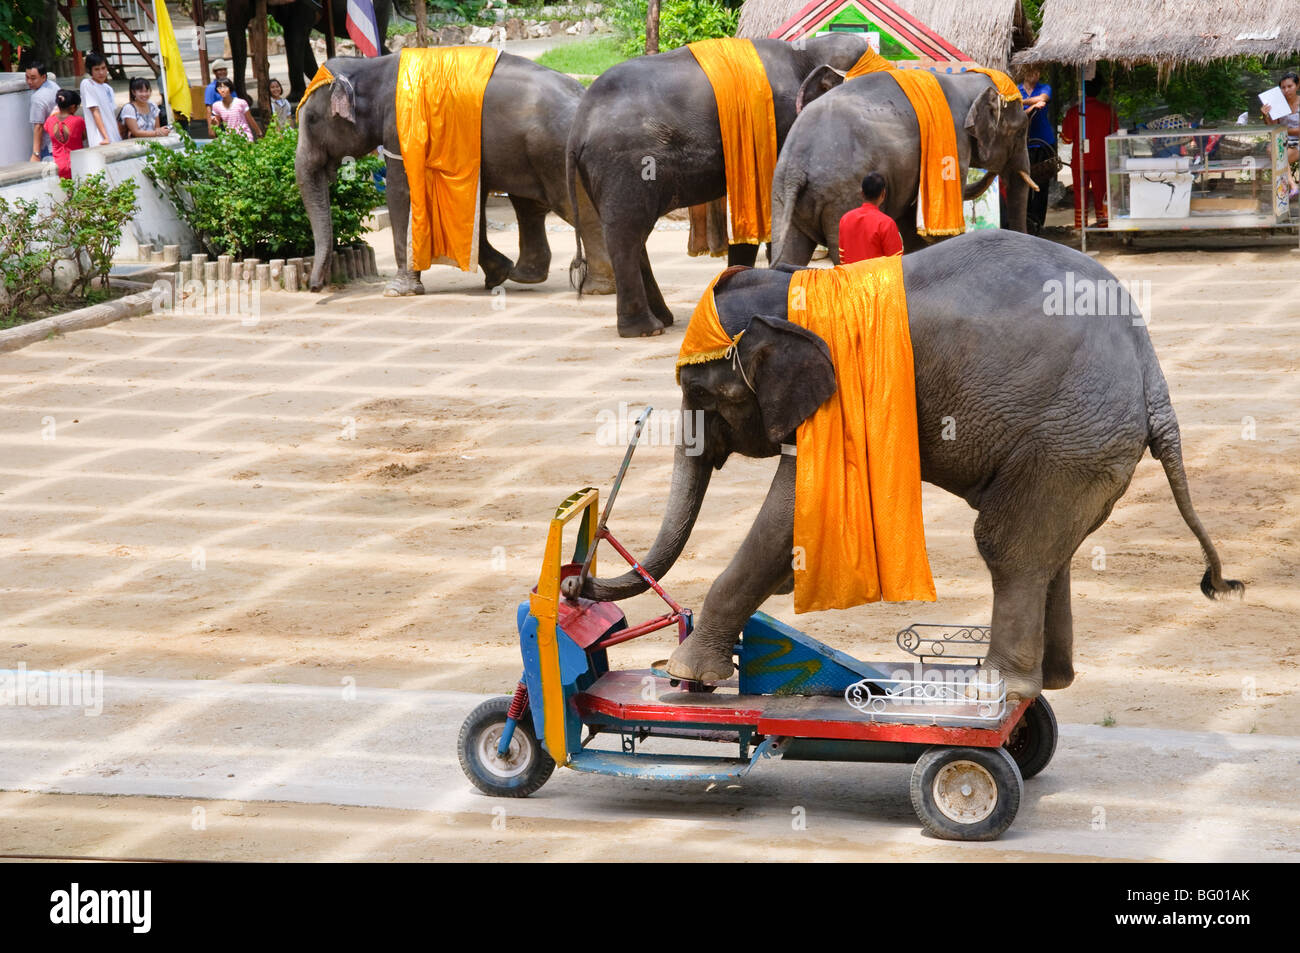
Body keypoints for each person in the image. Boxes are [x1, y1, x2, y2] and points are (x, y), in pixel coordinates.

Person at [1060, 78, 1117, 229]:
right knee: (1101, 194)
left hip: (1080, 161)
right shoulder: (1108, 111)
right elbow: (1115, 136)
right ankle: (1103, 225)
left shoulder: (1074, 112)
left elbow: (1066, 139)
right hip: (1100, 160)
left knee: (1080, 195)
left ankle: (1080, 226)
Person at [1018, 65, 1055, 233]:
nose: (1036, 74)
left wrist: (1022, 103)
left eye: (1038, 71)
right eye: (1032, 71)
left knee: (1042, 184)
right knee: (1022, 184)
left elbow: (1044, 97)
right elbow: (1017, 111)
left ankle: (1038, 223)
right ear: (1024, 72)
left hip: (1044, 141)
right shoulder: (1016, 89)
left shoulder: (1044, 87)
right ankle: (1025, 222)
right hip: (1023, 144)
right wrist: (1032, 106)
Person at [837, 172, 903, 264]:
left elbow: (842, 257)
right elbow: (896, 261)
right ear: (883, 194)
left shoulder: (845, 219)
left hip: (850, 277)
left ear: (862, 193)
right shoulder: (886, 223)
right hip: (876, 278)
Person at [1261, 71, 1300, 194]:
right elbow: (1272, 127)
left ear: (1297, 86)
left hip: (1297, 143)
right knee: (1271, 149)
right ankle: (1292, 184)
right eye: (1283, 87)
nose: (1286, 90)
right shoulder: (1277, 104)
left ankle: (1289, 188)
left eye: (1290, 86)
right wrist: (1265, 115)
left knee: (1278, 157)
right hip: (1283, 141)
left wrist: (1283, 130)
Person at [79, 52, 122, 148]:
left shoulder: (108, 88)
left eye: (103, 68)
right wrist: (106, 137)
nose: (101, 72)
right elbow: (95, 111)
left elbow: (111, 115)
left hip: (115, 137)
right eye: (96, 69)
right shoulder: (87, 84)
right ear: (90, 71)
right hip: (100, 139)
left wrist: (118, 136)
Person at [44, 90, 87, 180]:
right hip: (76, 162)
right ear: (72, 107)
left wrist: (54, 114)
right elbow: (83, 137)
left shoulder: (49, 120)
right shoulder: (78, 120)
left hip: (58, 163)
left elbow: (47, 128)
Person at [26, 61, 60, 163]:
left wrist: (36, 154)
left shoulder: (38, 98)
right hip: (61, 140)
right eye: (27, 77)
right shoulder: (53, 85)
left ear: (44, 77)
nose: (29, 82)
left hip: (49, 147)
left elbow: (38, 126)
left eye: (33, 78)